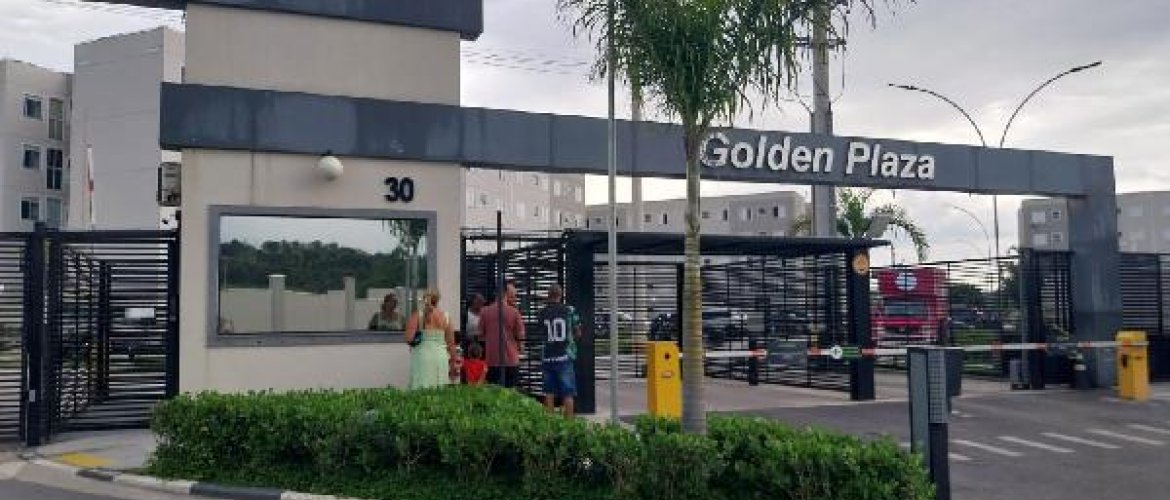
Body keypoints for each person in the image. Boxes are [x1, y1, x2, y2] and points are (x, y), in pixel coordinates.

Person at [536, 285, 581, 417]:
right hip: (564, 357)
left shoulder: (542, 313)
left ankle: (550, 423)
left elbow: (541, 333)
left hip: (548, 356)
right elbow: (578, 332)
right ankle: (569, 424)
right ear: (561, 295)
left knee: (549, 392)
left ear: (548, 296)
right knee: (568, 393)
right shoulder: (569, 310)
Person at [478, 281, 525, 388]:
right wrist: (520, 347)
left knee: (493, 392)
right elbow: (521, 336)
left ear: (495, 292)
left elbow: (480, 335)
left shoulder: (484, 311)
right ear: (506, 293)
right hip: (511, 360)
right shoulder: (514, 312)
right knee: (510, 392)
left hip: (492, 360)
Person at [404, 290, 454, 389]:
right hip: (441, 356)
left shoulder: (418, 315)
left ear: (424, 299)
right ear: (438, 300)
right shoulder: (446, 316)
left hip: (422, 355)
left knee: (421, 386)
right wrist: (453, 363)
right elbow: (451, 343)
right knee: (439, 387)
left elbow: (408, 338)